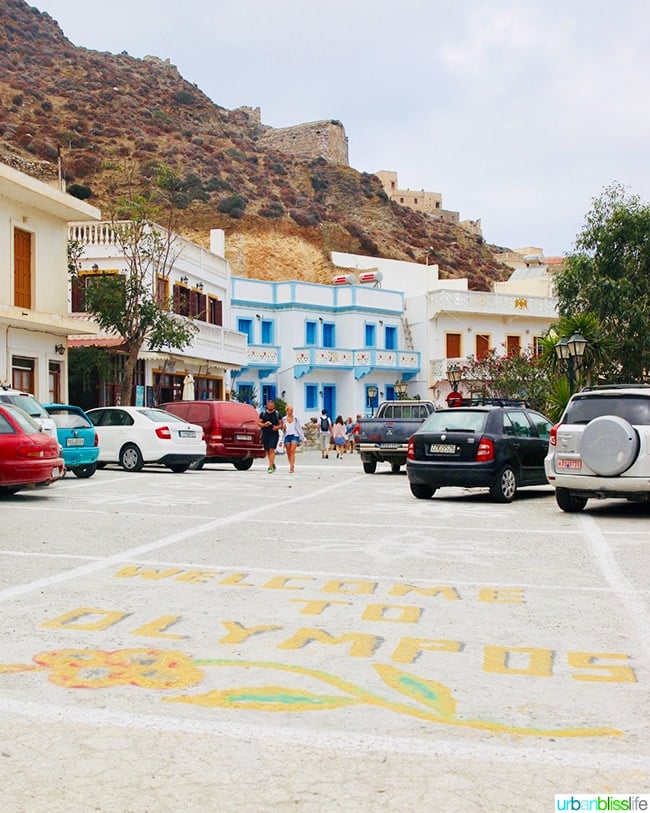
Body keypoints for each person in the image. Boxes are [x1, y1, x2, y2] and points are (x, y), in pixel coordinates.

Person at [258, 399, 281, 472]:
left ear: (274, 406)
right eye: (269, 405)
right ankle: (272, 463)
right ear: (267, 405)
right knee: (267, 451)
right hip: (265, 434)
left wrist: (277, 427)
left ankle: (270, 467)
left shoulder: (277, 414)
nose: (270, 407)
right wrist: (264, 424)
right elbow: (259, 423)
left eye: (272, 405)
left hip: (274, 434)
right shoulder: (263, 414)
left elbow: (281, 424)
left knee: (272, 449)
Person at [281, 404, 304, 474]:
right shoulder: (284, 419)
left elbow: (299, 428)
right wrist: (283, 428)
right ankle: (291, 464)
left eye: (292, 410)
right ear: (287, 411)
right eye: (289, 410)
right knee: (288, 452)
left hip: (295, 435)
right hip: (287, 436)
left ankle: (291, 467)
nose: (291, 412)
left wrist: (303, 437)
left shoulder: (296, 419)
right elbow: (283, 430)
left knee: (292, 450)